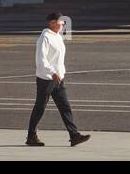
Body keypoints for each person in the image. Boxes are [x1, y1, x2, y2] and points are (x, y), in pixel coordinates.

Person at [26, 13, 90, 148]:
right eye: (61, 22)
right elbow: (41, 60)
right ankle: (31, 136)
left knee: (65, 107)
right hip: (46, 80)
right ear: (52, 23)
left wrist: (60, 73)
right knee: (40, 108)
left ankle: (74, 135)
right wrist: (52, 72)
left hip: (58, 79)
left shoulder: (57, 37)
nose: (63, 24)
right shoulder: (45, 38)